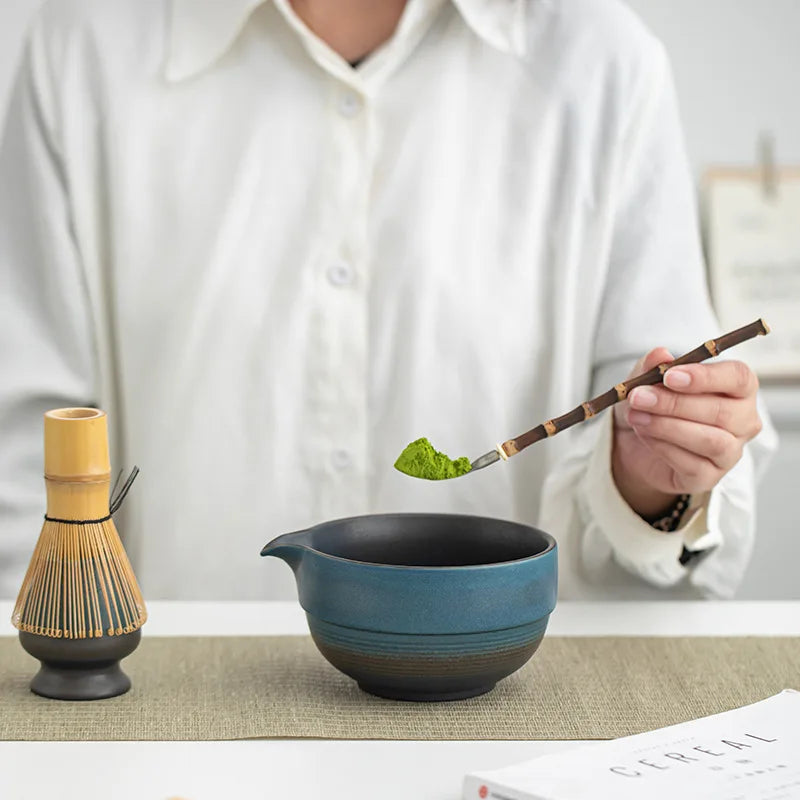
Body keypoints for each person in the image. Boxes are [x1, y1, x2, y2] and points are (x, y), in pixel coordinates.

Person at [0, 0, 777, 601]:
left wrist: (648, 478)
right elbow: (23, 438)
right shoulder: (84, 47)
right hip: (164, 713)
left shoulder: (602, 62)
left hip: (517, 717)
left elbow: (663, 469)